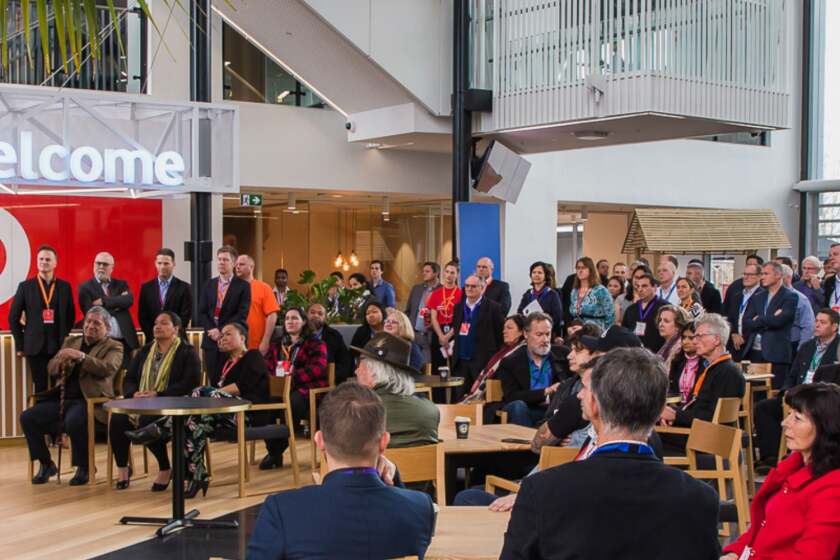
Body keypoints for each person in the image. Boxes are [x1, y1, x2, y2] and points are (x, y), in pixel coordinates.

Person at [500, 348, 721, 560]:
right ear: (659, 408)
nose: (578, 396)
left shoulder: (542, 491)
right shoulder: (701, 499)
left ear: (594, 405)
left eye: (584, 391)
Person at [246, 382, 435, 560]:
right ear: (384, 442)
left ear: (319, 441)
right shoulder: (420, 508)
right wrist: (395, 484)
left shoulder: (282, 511)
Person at [722, 383, 840, 560]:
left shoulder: (832, 489)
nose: (785, 423)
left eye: (797, 418)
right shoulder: (794, 466)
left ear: (825, 428)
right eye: (789, 414)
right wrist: (735, 553)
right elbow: (763, 528)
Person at [20, 307, 123, 485]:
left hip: (91, 400)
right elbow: (51, 369)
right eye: (88, 322)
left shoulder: (114, 346)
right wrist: (60, 363)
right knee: (28, 417)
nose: (90, 326)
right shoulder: (71, 341)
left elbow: (107, 368)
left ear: (107, 327)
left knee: (74, 420)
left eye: (96, 323)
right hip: (63, 398)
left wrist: (81, 357)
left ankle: (84, 467)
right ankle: (46, 464)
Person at [183, 323, 285, 496]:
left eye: (228, 334)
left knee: (200, 391)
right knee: (191, 422)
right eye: (222, 335)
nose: (223, 338)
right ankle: (198, 475)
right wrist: (213, 392)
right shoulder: (224, 362)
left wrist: (212, 394)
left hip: (248, 413)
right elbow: (216, 384)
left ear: (243, 338)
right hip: (223, 413)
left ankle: (163, 426)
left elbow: (241, 386)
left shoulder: (253, 356)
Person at [109, 311, 200, 490]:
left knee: (147, 421)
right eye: (156, 323)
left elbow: (191, 382)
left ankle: (165, 468)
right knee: (118, 419)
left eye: (164, 323)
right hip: (141, 402)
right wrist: (133, 393)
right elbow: (130, 378)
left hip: (173, 405)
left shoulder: (187, 351)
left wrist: (158, 394)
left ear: (176, 328)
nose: (157, 326)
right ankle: (123, 469)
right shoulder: (144, 351)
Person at [753, 308, 840, 470]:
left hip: (820, 398)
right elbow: (792, 375)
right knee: (764, 407)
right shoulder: (807, 347)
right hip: (798, 394)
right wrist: (786, 391)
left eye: (823, 322)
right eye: (816, 321)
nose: (817, 325)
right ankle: (770, 457)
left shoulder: (838, 348)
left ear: (834, 327)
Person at [659, 313, 746, 452]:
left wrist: (676, 415)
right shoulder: (714, 368)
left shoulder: (727, 372)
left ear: (716, 339)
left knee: (645, 434)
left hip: (708, 440)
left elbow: (711, 417)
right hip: (698, 433)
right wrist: (671, 412)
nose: (694, 341)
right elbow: (699, 407)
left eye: (699, 336)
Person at [9, 245, 76, 393]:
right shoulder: (25, 287)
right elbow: (13, 318)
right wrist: (21, 345)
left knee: (60, 388)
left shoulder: (64, 287)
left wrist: (64, 336)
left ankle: (57, 416)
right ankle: (42, 415)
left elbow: (70, 315)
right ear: (36, 262)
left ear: (55, 263)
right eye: (41, 259)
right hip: (34, 347)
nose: (44, 262)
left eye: (48, 259)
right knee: (40, 388)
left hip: (58, 346)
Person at [353, 332, 439, 447]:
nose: (356, 371)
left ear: (373, 372)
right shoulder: (431, 411)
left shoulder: (357, 414)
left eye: (359, 364)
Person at [265, 307, 328, 447]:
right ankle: (272, 447)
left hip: (305, 389)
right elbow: (268, 365)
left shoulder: (316, 343)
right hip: (280, 387)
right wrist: (272, 378)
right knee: (266, 401)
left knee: (294, 401)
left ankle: (277, 449)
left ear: (304, 321)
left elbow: (318, 368)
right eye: (287, 318)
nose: (290, 321)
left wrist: (292, 378)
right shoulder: (277, 344)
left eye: (294, 318)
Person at [498, 312, 568, 427]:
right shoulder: (510, 362)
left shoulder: (564, 354)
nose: (545, 340)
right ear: (526, 334)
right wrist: (545, 392)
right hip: (527, 409)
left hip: (554, 411)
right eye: (539, 334)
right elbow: (512, 396)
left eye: (548, 334)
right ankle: (526, 445)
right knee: (517, 406)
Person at [197, 245, 251, 385]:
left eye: (225, 260)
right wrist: (212, 331)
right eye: (219, 259)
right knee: (214, 381)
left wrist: (221, 330)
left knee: (231, 380)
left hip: (232, 340)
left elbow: (242, 313)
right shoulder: (208, 284)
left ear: (233, 263)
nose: (221, 262)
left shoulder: (243, 286)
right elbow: (201, 312)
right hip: (211, 340)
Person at [743, 261, 798, 389]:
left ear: (778, 275)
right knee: (754, 393)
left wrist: (759, 320)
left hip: (777, 354)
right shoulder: (758, 297)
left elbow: (780, 321)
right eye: (761, 274)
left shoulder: (790, 297)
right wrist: (770, 318)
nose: (762, 277)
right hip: (755, 352)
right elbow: (747, 322)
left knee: (774, 393)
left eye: (766, 274)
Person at [78, 251, 138, 367]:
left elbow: (129, 300)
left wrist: (104, 302)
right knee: (103, 379)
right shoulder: (85, 288)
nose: (101, 267)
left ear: (112, 268)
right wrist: (118, 302)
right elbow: (92, 312)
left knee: (125, 379)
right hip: (100, 344)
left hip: (124, 342)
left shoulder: (121, 284)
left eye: (105, 264)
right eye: (98, 263)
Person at [450, 275, 504, 391]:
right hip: (460, 362)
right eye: (467, 286)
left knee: (479, 399)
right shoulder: (458, 307)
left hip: (482, 362)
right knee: (460, 399)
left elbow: (499, 335)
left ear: (482, 287)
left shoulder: (494, 307)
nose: (469, 289)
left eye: (473, 286)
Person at [462, 315, 526, 404]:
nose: (504, 331)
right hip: (490, 393)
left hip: (503, 397)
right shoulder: (503, 351)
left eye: (509, 328)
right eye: (504, 328)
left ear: (521, 332)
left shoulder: (522, 351)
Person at [138, 248, 192, 341]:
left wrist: (170, 335)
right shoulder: (146, 288)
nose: (162, 266)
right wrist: (153, 335)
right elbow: (142, 316)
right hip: (152, 340)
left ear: (173, 264)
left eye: (166, 263)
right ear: (155, 264)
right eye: (160, 263)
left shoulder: (184, 287)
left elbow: (185, 317)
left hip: (176, 340)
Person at [235, 254, 280, 354]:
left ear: (251, 267)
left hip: (256, 344)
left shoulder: (263, 288)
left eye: (241, 264)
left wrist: (265, 341)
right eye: (236, 264)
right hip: (235, 345)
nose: (237, 267)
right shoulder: (231, 289)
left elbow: (272, 315)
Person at [426, 260, 462, 374]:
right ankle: (437, 392)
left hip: (455, 331)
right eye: (447, 272)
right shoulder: (436, 293)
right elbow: (433, 317)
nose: (449, 275)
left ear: (457, 275)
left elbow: (462, 318)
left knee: (456, 368)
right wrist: (441, 336)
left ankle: (456, 392)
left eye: (452, 273)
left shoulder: (461, 294)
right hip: (438, 331)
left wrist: (449, 336)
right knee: (438, 368)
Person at [517, 261, 564, 340]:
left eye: (540, 273)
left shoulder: (552, 294)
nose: (536, 275)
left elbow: (557, 317)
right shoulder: (528, 294)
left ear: (546, 275)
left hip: (546, 334)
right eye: (534, 272)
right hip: (529, 333)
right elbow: (520, 313)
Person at [307, 303, 353, 383]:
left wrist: (331, 378)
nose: (316, 316)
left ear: (325, 318)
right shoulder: (298, 334)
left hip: (328, 380)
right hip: (302, 380)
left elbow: (344, 363)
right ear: (307, 315)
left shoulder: (334, 336)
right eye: (312, 312)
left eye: (320, 314)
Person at [404, 261, 440, 364]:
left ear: (436, 273)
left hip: (430, 336)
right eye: (423, 271)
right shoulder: (416, 289)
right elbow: (408, 310)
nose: (424, 273)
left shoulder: (441, 290)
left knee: (427, 368)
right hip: (414, 335)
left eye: (427, 271)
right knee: (413, 365)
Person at [725, 263, 764, 356]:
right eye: (745, 274)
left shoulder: (763, 296)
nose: (746, 277)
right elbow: (729, 318)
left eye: (750, 275)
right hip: (735, 344)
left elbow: (759, 321)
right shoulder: (737, 296)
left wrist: (744, 337)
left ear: (759, 277)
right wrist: (733, 333)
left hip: (753, 345)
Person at [621, 272, 667, 352]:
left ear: (654, 287)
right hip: (634, 354)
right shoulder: (631, 309)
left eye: (644, 286)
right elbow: (625, 333)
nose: (640, 289)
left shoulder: (664, 307)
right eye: (638, 286)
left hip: (657, 354)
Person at [569, 257, 614, 331]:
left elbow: (610, 316)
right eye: (578, 268)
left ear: (590, 270)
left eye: (583, 268)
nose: (580, 271)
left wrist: (605, 334)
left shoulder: (600, 290)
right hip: (577, 330)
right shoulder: (574, 291)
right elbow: (573, 314)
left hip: (596, 331)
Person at [781, 263, 816, 354]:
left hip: (792, 344)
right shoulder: (766, 296)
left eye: (779, 276)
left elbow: (808, 326)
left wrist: (801, 349)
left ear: (788, 278)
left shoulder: (800, 299)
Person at [383, 307, 426, 372]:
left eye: (393, 322)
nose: (388, 324)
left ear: (403, 326)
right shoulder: (382, 343)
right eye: (387, 321)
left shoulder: (411, 347)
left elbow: (413, 371)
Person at [669, 322, 701, 403]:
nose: (685, 342)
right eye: (683, 337)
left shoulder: (706, 364)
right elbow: (671, 390)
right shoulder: (677, 361)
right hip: (677, 407)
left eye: (691, 338)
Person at [655, 304, 692, 371]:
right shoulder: (668, 343)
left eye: (666, 321)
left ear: (678, 325)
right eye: (660, 320)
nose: (661, 324)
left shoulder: (679, 347)